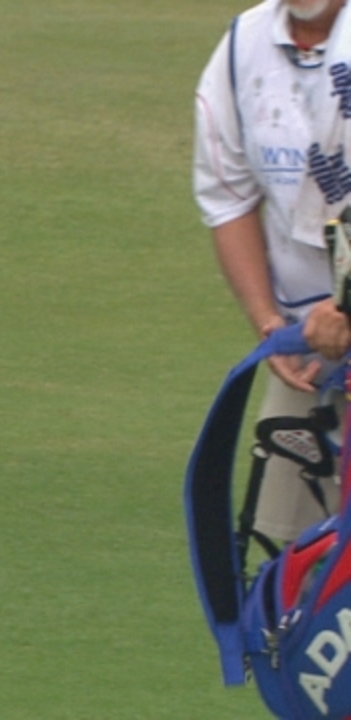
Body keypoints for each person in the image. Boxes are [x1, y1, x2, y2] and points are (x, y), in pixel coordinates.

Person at [193, 0, 348, 547]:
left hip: (333, 325)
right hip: (307, 352)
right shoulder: (244, 46)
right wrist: (268, 321)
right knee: (291, 556)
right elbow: (228, 197)